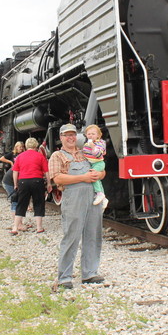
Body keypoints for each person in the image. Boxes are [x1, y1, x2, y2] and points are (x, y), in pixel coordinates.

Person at [49, 123, 105, 289]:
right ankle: (64, 277)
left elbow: (101, 168)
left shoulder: (86, 152)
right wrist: (83, 178)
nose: (70, 137)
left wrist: (99, 174)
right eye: (67, 135)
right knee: (71, 236)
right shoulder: (57, 156)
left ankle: (90, 273)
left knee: (93, 235)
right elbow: (57, 178)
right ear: (61, 138)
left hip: (93, 198)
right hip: (73, 199)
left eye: (73, 134)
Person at [11, 138, 49, 235]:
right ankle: (39, 227)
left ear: (26, 146)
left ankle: (15, 227)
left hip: (23, 182)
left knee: (21, 204)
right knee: (38, 203)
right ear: (36, 146)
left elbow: (15, 172)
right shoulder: (40, 156)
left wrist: (15, 184)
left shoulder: (20, 156)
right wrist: (49, 183)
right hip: (37, 181)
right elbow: (46, 171)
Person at [0, 141, 25, 231]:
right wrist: (10, 162)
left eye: (22, 147)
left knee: (17, 200)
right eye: (19, 147)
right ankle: (17, 224)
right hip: (9, 181)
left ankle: (19, 223)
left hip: (12, 180)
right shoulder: (13, 155)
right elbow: (2, 158)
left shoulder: (23, 156)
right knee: (15, 200)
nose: (21, 148)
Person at [83, 125, 109, 209]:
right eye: (89, 134)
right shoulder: (87, 143)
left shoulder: (100, 143)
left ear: (98, 135)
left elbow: (98, 154)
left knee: (93, 175)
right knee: (97, 179)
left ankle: (99, 193)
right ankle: (104, 198)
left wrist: (93, 146)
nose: (90, 135)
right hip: (92, 163)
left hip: (99, 163)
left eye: (93, 134)